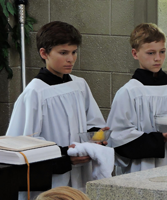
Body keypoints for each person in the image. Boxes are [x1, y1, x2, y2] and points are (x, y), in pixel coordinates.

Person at [6, 21, 108, 198]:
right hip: (51, 183)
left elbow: (93, 122)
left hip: (80, 176)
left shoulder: (79, 85)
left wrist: (96, 139)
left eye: (74, 52)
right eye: (63, 53)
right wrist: (66, 158)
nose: (71, 59)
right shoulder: (35, 93)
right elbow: (23, 147)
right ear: (44, 53)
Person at [106, 23, 167, 174]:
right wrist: (159, 140)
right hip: (142, 168)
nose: (158, 58)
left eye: (162, 52)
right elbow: (118, 140)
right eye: (151, 53)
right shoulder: (128, 92)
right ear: (135, 54)